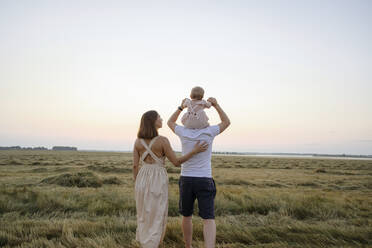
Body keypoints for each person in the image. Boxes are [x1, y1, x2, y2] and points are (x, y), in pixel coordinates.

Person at [133, 110, 208, 248]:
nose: (161, 119)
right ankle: (152, 243)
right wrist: (194, 151)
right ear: (153, 122)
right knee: (157, 211)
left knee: (144, 212)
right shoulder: (162, 141)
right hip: (157, 177)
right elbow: (176, 162)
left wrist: (137, 184)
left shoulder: (138, 142)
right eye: (159, 117)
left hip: (142, 178)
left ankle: (145, 241)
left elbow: (134, 166)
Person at [167, 97, 231, 248]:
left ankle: (188, 246)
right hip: (204, 179)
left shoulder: (183, 131)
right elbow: (226, 122)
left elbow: (170, 122)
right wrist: (216, 105)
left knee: (187, 216)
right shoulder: (210, 131)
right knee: (208, 218)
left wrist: (180, 107)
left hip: (187, 179)